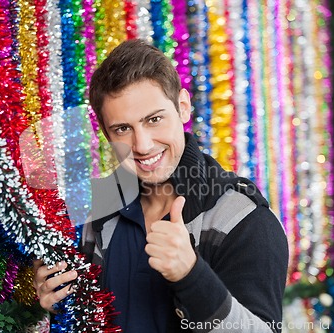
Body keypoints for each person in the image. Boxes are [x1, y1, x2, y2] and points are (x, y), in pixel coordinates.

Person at [33, 39, 289, 332]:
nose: (142, 145)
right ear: (106, 133)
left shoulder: (243, 219)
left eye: (154, 119)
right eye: (123, 129)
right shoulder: (92, 213)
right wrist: (57, 305)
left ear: (182, 107)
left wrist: (191, 275)